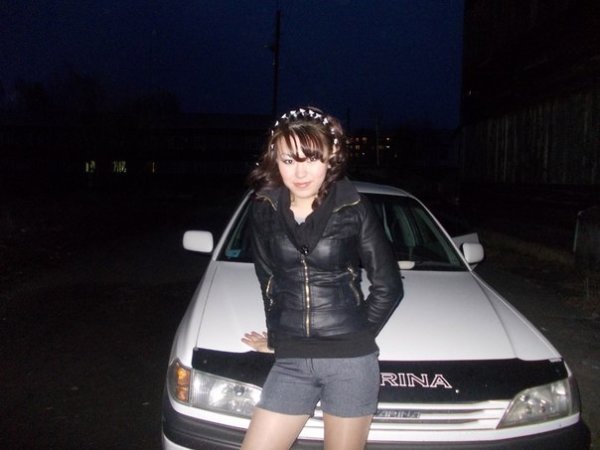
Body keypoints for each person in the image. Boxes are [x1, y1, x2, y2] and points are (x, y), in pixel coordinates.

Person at [240, 106, 403, 450]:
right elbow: (268, 280)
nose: (300, 172)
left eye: (311, 158)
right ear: (275, 159)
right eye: (288, 160)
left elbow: (388, 287)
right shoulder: (263, 207)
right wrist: (276, 336)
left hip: (350, 364)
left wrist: (354, 336)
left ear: (331, 156)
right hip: (292, 362)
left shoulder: (354, 207)